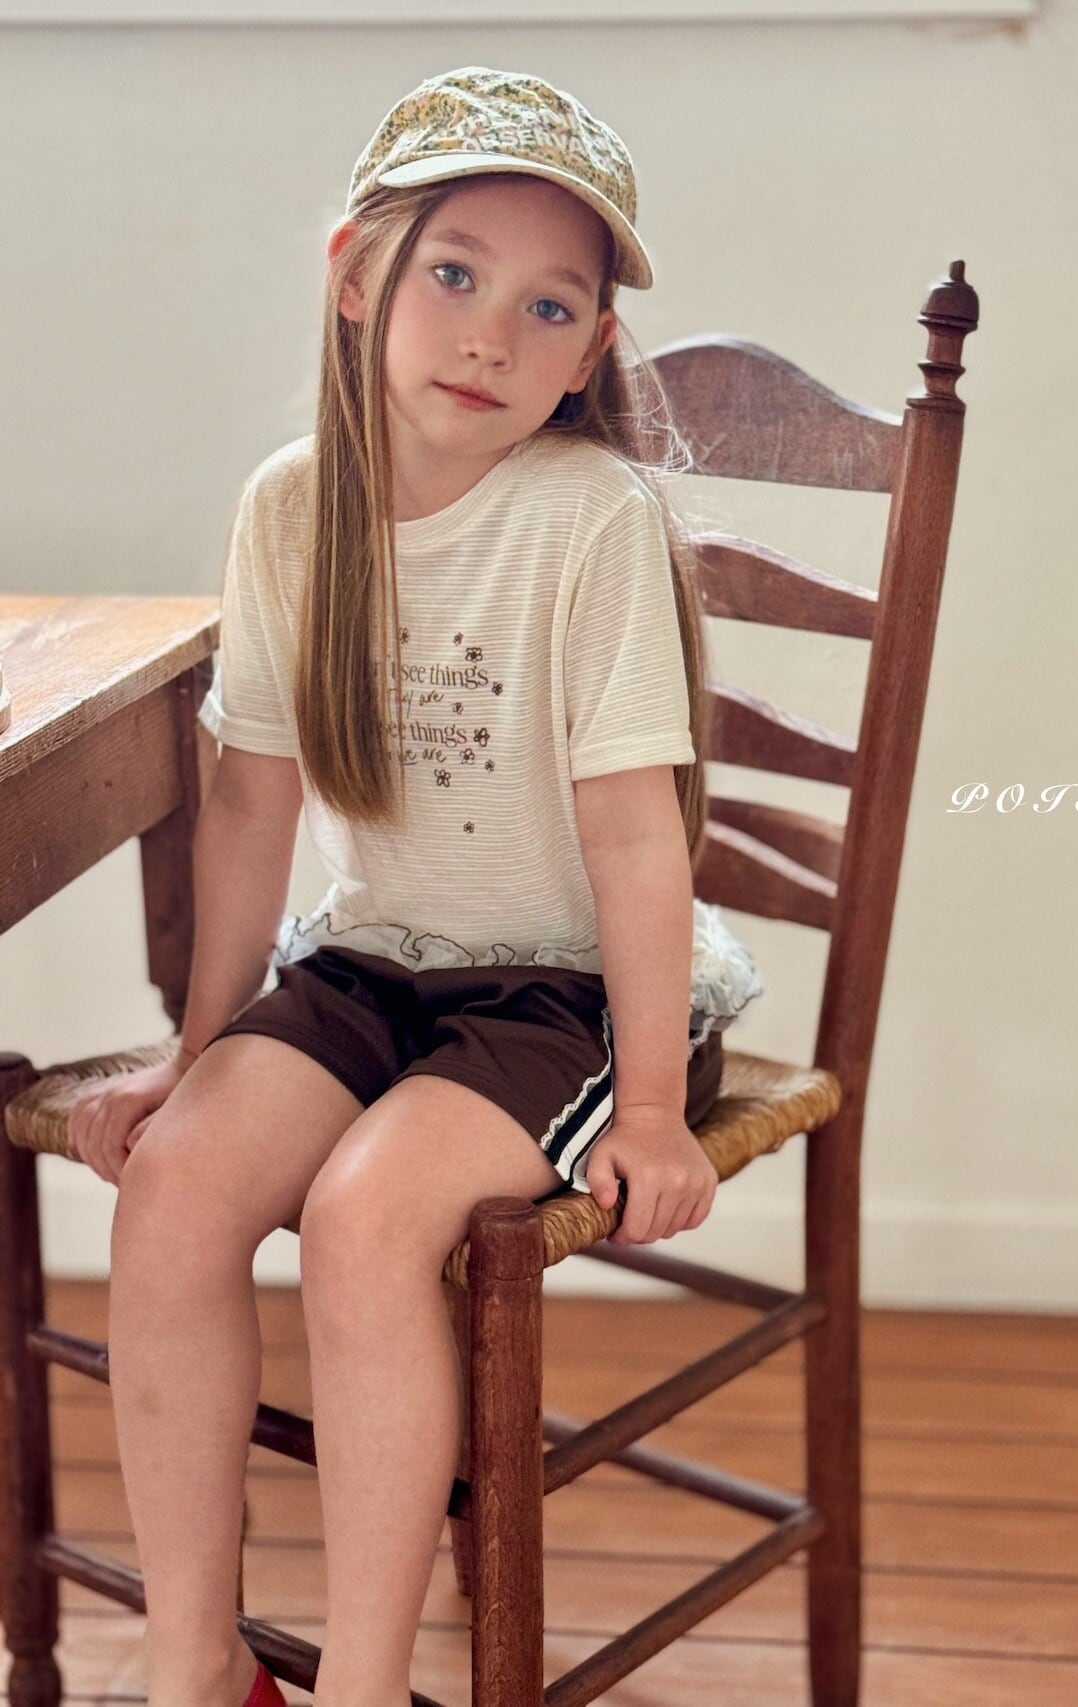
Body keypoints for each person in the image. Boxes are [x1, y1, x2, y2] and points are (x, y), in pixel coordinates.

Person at [65, 65, 763, 1707]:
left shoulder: (589, 521)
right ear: (355, 274)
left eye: (547, 308)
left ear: (591, 353)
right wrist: (199, 1046)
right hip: (374, 961)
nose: (489, 337)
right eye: (453, 274)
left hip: (572, 992)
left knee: (368, 1218)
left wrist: (654, 1110)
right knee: (177, 1183)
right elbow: (252, 798)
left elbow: (637, 840)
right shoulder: (290, 508)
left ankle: (364, 1687)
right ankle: (198, 1668)